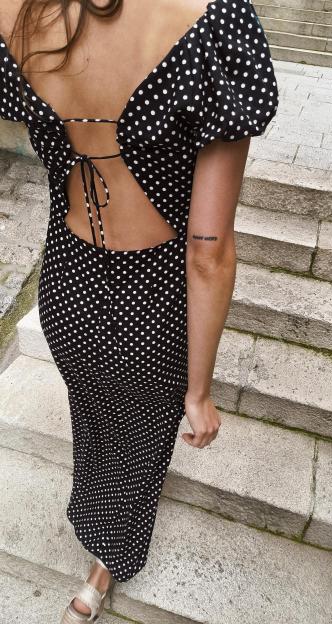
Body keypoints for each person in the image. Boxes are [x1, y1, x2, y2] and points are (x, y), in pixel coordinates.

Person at [0, 0, 279, 620]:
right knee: (138, 444)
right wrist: (198, 393)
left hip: (68, 283)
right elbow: (209, 254)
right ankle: (104, 565)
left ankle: (95, 532)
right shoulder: (218, 22)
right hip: (153, 301)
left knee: (96, 422)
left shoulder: (15, 12)